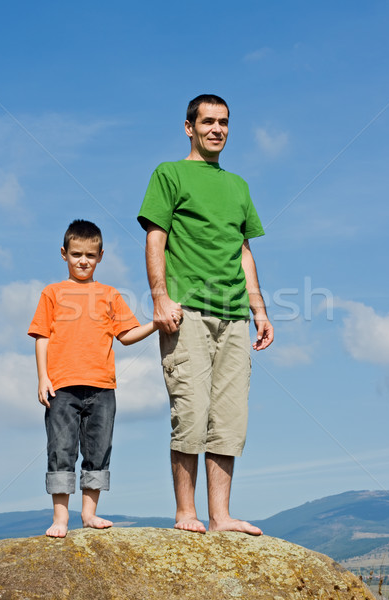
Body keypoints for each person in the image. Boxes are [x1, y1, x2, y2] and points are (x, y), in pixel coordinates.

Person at [138, 94, 274, 535]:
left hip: (234, 315)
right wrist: (159, 297)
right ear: (189, 127)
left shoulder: (238, 185)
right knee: (191, 413)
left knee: (229, 419)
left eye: (225, 123)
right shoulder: (169, 173)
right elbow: (155, 237)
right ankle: (186, 513)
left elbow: (243, 250)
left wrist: (260, 309)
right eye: (209, 121)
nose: (217, 129)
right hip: (186, 312)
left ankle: (221, 517)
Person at [28, 219, 181, 538]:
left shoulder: (110, 295)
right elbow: (41, 336)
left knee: (98, 450)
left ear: (100, 256)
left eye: (90, 255)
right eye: (76, 254)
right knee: (61, 450)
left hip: (102, 388)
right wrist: (42, 377)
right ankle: (60, 518)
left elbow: (126, 335)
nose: (82, 260)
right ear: (64, 254)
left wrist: (155, 323)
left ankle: (89, 514)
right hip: (61, 387)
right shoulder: (52, 293)